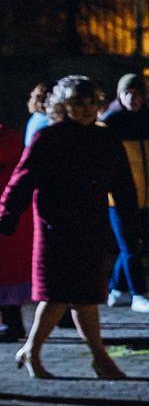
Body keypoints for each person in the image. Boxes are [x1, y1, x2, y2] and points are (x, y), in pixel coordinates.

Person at [0, 75, 138, 379]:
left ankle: (70, 355)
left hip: (91, 225)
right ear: (64, 105)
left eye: (90, 102)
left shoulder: (106, 139)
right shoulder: (48, 138)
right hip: (56, 226)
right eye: (78, 103)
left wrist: (132, 226)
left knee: (86, 294)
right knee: (58, 294)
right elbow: (23, 179)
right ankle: (94, 357)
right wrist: (7, 214)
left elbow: (124, 187)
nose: (86, 109)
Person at [101, 73, 149, 313]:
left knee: (136, 244)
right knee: (130, 245)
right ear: (119, 94)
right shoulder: (112, 121)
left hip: (145, 196)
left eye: (137, 94)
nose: (132, 98)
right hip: (119, 197)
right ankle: (138, 294)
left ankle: (116, 289)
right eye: (127, 93)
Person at [0, 117, 30, 342]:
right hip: (15, 216)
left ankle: (11, 324)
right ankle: (13, 323)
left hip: (6, 215)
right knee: (10, 271)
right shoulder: (15, 139)